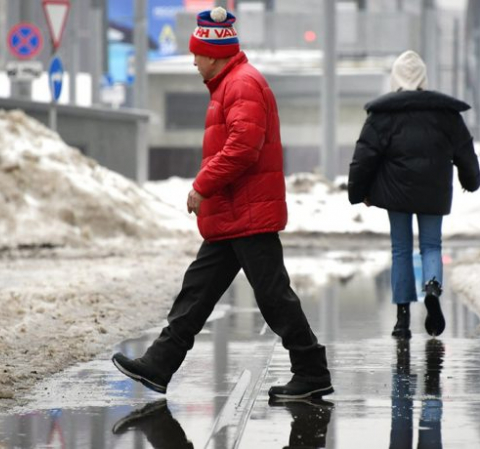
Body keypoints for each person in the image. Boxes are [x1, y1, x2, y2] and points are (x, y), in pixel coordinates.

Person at [112, 7, 332, 400]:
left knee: (273, 296)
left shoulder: (242, 84)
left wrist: (202, 186)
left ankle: (311, 369)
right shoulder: (231, 84)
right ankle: (160, 364)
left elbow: (243, 149)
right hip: (233, 215)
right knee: (196, 292)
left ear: (214, 53)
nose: (194, 61)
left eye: (197, 54)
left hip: (246, 212)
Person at [348, 50, 480, 339]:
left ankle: (402, 318)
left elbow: (365, 156)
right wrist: (470, 180)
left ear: (396, 77)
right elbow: (465, 150)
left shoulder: (383, 115)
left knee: (401, 249)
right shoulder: (446, 114)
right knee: (432, 246)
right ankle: (432, 287)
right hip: (434, 190)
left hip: (396, 191)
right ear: (423, 78)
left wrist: (359, 192)